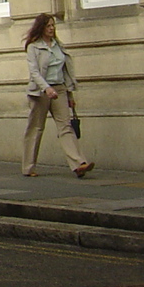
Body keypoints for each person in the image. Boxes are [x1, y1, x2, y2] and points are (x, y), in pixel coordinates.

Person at [21, 13, 92, 178]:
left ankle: (78, 164)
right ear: (41, 28)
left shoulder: (58, 45)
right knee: (36, 128)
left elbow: (65, 71)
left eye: (53, 26)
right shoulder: (33, 47)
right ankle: (28, 167)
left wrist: (70, 94)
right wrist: (46, 88)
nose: (52, 29)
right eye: (48, 26)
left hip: (59, 89)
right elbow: (34, 72)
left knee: (65, 127)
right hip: (40, 92)